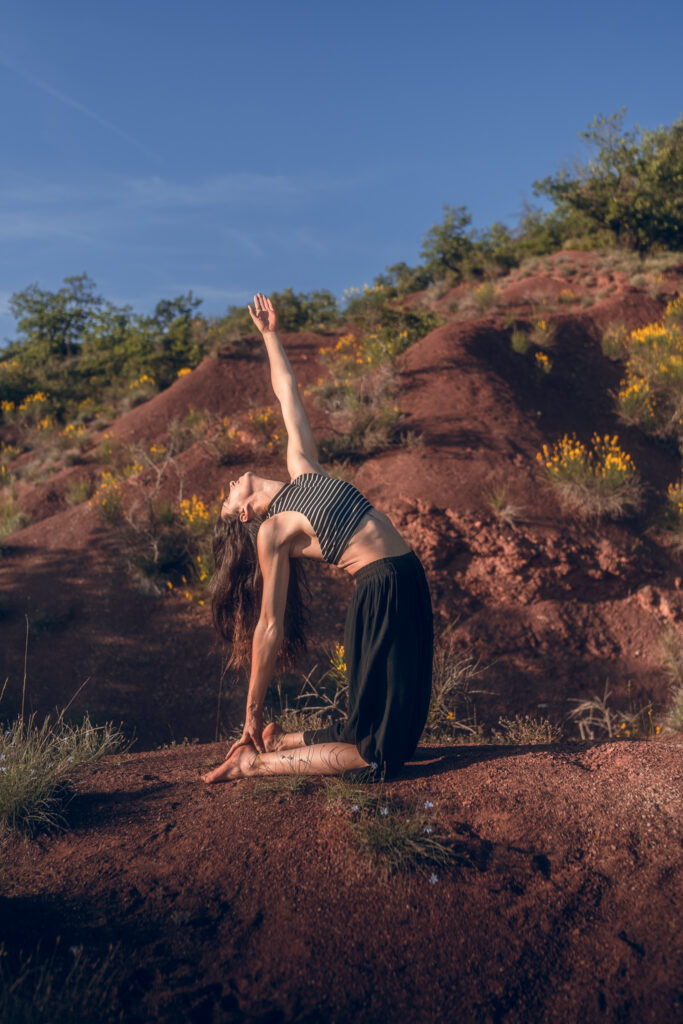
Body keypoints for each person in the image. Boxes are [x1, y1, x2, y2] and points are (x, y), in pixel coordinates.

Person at [201, 293, 433, 784]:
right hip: (379, 591)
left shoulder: (301, 471)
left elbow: (288, 395)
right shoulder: (272, 530)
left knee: (400, 732)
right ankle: (255, 763)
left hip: (408, 576)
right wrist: (251, 713)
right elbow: (268, 628)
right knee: (377, 756)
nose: (228, 487)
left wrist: (270, 335)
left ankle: (282, 743)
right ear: (243, 514)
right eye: (227, 500)